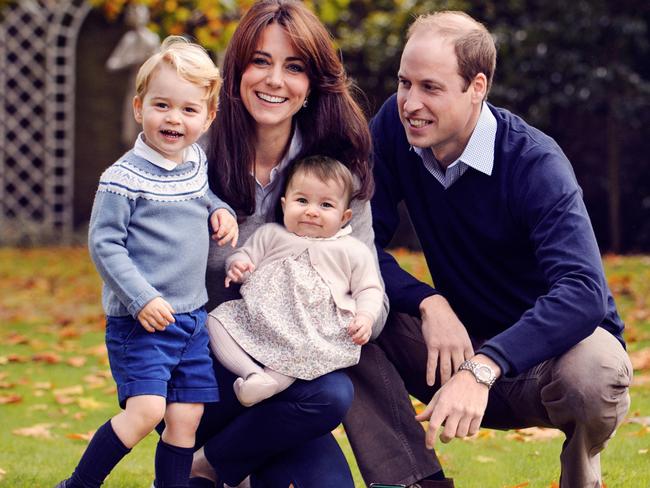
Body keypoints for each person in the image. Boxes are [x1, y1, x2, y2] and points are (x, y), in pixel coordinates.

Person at [343, 11, 633, 488]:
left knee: (595, 372)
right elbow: (353, 241)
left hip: (546, 365)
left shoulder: (534, 163)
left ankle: (581, 478)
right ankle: (415, 480)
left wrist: (485, 366)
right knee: (339, 306)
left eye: (431, 88)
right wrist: (427, 301)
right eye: (404, 83)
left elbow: (584, 290)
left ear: (477, 86)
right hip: (452, 347)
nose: (410, 103)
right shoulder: (395, 132)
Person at [182, 1, 388, 487]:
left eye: (293, 67)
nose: (274, 80)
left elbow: (368, 284)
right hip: (205, 370)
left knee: (330, 401)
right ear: (236, 71)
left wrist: (354, 320)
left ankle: (205, 467)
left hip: (295, 380)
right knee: (327, 393)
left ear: (312, 85)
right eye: (260, 61)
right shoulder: (192, 153)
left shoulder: (337, 171)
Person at [57, 36, 238, 488]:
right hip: (143, 322)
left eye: (189, 109)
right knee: (147, 412)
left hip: (191, 320)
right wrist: (141, 299)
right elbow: (104, 245)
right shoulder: (122, 178)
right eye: (162, 105)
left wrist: (220, 209)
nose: (174, 118)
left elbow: (202, 197)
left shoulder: (194, 162)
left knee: (186, 417)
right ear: (140, 108)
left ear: (208, 117)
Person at [208, 155, 384, 407]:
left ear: (345, 217)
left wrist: (365, 317)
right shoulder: (271, 235)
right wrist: (238, 266)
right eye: (301, 201)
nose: (311, 211)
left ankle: (268, 383)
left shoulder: (351, 250)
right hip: (260, 318)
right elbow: (244, 256)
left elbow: (369, 288)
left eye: (325, 205)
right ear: (284, 204)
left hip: (311, 329)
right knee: (215, 321)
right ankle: (253, 375)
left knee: (300, 352)